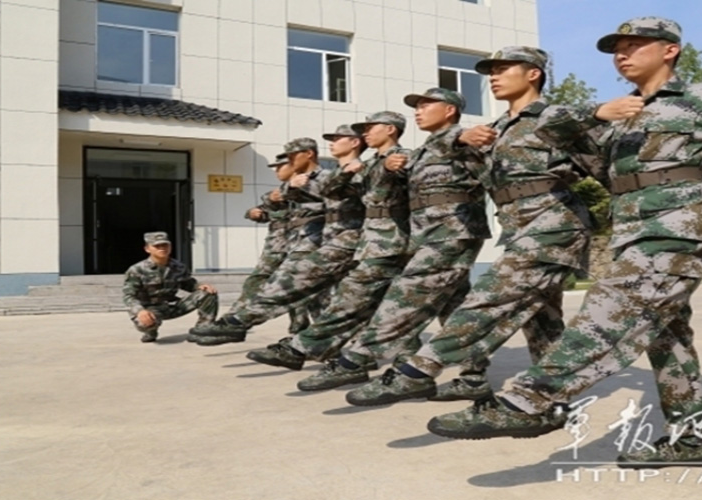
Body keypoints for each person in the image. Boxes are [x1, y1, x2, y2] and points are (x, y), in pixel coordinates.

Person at [425, 18, 702, 469]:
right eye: (617, 48)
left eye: (635, 45)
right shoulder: (620, 115)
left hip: (681, 225)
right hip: (633, 229)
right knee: (666, 337)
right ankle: (691, 441)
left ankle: (530, 400)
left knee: (610, 311)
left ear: (670, 50)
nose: (622, 54)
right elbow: (582, 162)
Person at [341, 47, 595, 407]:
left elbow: (601, 160)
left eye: (503, 68)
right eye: (491, 70)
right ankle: (555, 394)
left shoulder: (555, 117)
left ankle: (417, 370)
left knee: (486, 300)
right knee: (542, 318)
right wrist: (457, 139)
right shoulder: (496, 129)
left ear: (533, 74)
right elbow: (448, 149)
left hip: (554, 224)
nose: (493, 76)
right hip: (519, 227)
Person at [251, 90, 495, 395]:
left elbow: (473, 153)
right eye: (416, 106)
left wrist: (462, 136)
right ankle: (473, 378)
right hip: (424, 235)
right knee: (454, 309)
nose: (418, 111)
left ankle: (347, 359)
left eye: (425, 105)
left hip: (453, 232)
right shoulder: (418, 153)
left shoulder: (461, 140)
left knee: (404, 296)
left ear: (449, 110)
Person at [244, 112, 416, 380]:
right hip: (371, 243)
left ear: (391, 129)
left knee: (376, 301)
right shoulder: (367, 165)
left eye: (370, 128)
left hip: (392, 241)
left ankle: (307, 349)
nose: (366, 133)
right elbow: (330, 190)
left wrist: (397, 165)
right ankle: (354, 360)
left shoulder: (404, 157)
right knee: (377, 303)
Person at [190, 137, 364, 346]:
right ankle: (315, 339)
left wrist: (288, 190)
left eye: (291, 157)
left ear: (308, 154)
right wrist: (278, 195)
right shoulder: (299, 181)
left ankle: (241, 323)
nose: (288, 163)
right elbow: (270, 201)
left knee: (292, 285)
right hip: (294, 241)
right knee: (297, 289)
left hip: (318, 239)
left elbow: (327, 197)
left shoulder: (327, 176)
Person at [229, 155, 312, 336]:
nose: (276, 171)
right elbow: (265, 211)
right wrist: (253, 213)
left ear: (293, 165)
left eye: (280, 167)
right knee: (259, 281)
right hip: (277, 247)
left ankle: (310, 331)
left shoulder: (310, 187)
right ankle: (234, 320)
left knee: (303, 287)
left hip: (304, 245)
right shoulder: (276, 194)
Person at [122, 232, 218, 343]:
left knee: (208, 293)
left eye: (165, 245)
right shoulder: (137, 270)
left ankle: (202, 330)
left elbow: (187, 283)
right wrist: (139, 311)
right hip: (150, 309)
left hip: (172, 306)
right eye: (157, 246)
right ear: (147, 249)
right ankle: (150, 332)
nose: (162, 248)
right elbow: (129, 296)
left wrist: (199, 286)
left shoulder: (178, 266)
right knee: (144, 323)